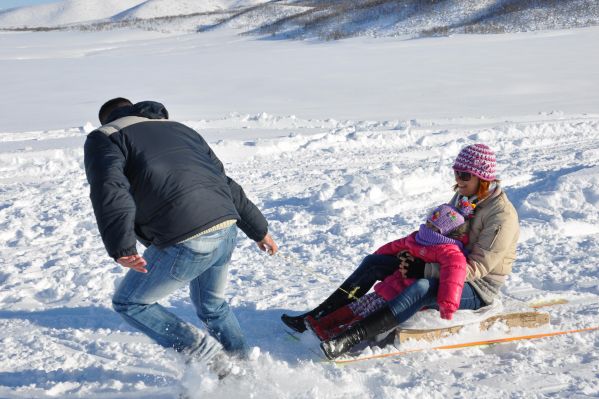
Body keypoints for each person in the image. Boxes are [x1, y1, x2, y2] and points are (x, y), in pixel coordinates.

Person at [84, 97, 278, 376]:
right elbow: (225, 182)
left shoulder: (106, 137)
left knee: (130, 302)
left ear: (108, 119)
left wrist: (121, 246)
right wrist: (259, 230)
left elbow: (110, 190)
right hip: (226, 227)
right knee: (213, 306)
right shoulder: (180, 128)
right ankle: (245, 366)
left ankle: (211, 359)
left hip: (187, 235)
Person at [281, 143, 519, 359]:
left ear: (483, 178)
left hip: (477, 286)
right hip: (444, 262)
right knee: (375, 262)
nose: (458, 180)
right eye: (456, 172)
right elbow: (444, 233)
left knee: (423, 287)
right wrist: (415, 254)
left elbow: (476, 268)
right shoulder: (465, 195)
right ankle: (318, 317)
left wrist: (423, 268)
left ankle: (349, 338)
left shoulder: (501, 216)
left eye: (465, 175)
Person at [306, 204, 469, 342]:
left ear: (445, 233)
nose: (427, 228)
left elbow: (453, 277)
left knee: (367, 315)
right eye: (427, 223)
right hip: (389, 285)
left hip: (403, 296)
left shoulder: (450, 252)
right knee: (358, 306)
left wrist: (448, 304)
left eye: (433, 227)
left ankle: (339, 335)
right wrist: (378, 256)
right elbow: (394, 246)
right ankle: (322, 323)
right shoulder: (418, 238)